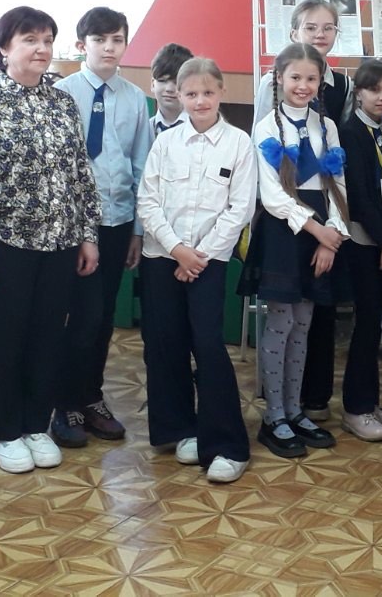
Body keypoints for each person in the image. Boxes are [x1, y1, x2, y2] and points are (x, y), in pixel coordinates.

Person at [0, 5, 101, 474]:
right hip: (4, 243)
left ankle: (36, 424)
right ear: (4, 48)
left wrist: (88, 235)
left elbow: (80, 174)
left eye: (47, 40)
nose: (41, 49)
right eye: (30, 40)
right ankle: (6, 432)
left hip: (60, 241)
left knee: (47, 337)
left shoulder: (62, 103)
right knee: (5, 339)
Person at [137, 57, 255, 483]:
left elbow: (240, 208)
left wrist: (197, 256)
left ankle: (227, 445)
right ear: (179, 96)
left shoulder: (238, 143)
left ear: (221, 92)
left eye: (207, 92)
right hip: (162, 257)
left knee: (207, 344)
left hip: (209, 261)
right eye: (191, 93)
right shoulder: (166, 143)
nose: (200, 100)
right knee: (164, 342)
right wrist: (176, 249)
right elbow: (148, 200)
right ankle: (180, 429)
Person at [240, 42, 349, 458]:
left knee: (304, 323)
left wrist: (333, 235)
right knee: (281, 322)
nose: (303, 85)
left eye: (311, 78)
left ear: (320, 82)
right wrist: (317, 230)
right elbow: (271, 195)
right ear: (279, 79)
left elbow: (338, 185)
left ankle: (295, 410)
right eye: (295, 77)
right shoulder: (267, 127)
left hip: (321, 232)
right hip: (285, 232)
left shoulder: (328, 127)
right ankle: (274, 417)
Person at [54, 6, 153, 447]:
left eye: (117, 40)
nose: (109, 48)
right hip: (75, 226)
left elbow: (142, 165)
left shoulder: (134, 98)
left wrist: (138, 230)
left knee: (104, 316)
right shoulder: (61, 94)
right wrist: (75, 229)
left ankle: (92, 397)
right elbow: (58, 168)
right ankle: (66, 403)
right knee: (80, 315)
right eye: (100, 40)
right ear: (82, 45)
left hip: (117, 221)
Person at [338, 60, 382, 441]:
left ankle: (370, 400)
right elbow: (359, 197)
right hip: (365, 240)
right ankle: (355, 408)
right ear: (358, 93)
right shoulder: (350, 133)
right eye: (374, 89)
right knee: (365, 324)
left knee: (374, 322)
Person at [149, 43, 193, 134]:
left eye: (176, 82)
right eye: (162, 80)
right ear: (153, 84)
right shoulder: (144, 129)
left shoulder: (201, 129)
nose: (169, 89)